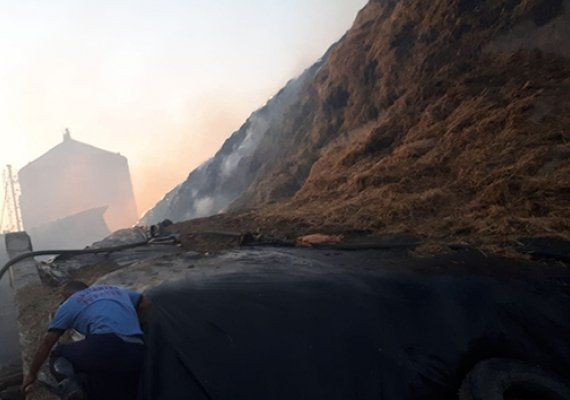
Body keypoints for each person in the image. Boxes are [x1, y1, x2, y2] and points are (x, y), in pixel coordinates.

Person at [21, 281, 151, 400]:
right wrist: (138, 323)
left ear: (67, 295)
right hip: (137, 349)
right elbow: (146, 303)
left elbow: (48, 342)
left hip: (104, 344)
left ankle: (73, 389)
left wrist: (32, 373)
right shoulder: (115, 289)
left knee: (59, 354)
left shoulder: (70, 303)